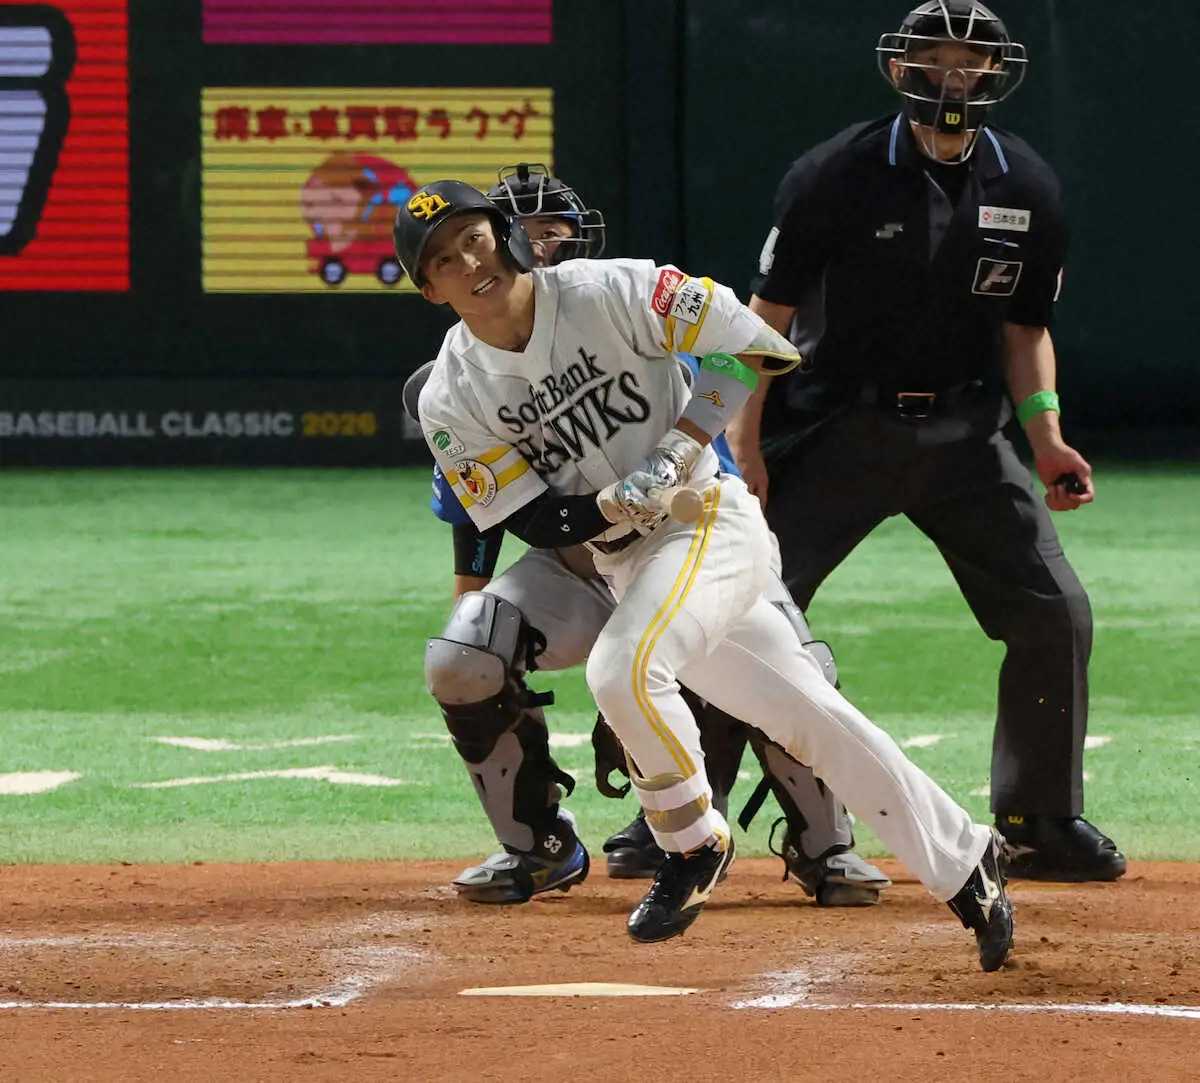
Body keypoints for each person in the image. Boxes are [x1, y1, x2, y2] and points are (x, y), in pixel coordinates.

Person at [395, 175, 1014, 970]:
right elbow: (531, 519)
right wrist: (618, 502)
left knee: (622, 667)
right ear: (428, 289)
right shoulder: (452, 394)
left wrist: (683, 443)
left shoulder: (611, 289)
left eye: (474, 237)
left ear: (504, 235)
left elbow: (754, 342)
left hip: (712, 526)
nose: (468, 260)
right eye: (443, 258)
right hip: (629, 561)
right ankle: (970, 864)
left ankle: (690, 843)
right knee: (813, 719)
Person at [725, 0, 1125, 883]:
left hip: (967, 433)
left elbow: (1026, 328)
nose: (954, 76)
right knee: (729, 607)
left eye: (970, 62)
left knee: (1052, 610)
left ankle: (1040, 817)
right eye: (935, 59)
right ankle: (685, 822)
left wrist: (1047, 438)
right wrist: (742, 449)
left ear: (995, 74)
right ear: (902, 69)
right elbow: (764, 320)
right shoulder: (834, 173)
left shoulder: (1028, 183)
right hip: (836, 426)